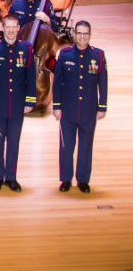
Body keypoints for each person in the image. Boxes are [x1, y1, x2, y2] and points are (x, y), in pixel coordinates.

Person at [0, 15, 36, 192]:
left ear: (18, 28)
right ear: (2, 29)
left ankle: (11, 177)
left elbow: (31, 77)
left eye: (14, 27)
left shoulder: (27, 50)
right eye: (8, 27)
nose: (11, 31)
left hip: (18, 105)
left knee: (13, 142)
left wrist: (30, 100)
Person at [52, 21, 107, 193]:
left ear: (90, 36)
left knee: (85, 146)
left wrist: (102, 106)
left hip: (88, 110)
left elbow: (103, 83)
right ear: (74, 35)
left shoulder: (98, 56)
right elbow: (58, 82)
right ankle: (66, 179)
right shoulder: (65, 54)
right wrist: (56, 105)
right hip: (67, 109)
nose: (82, 37)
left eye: (85, 34)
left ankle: (83, 180)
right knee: (66, 146)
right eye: (79, 33)